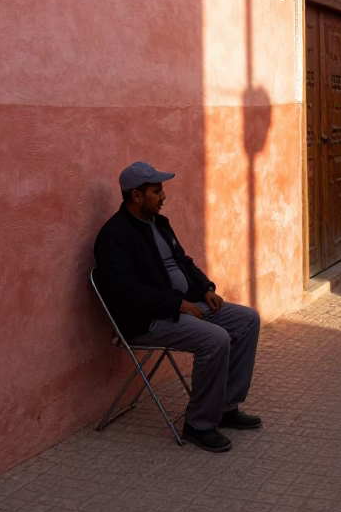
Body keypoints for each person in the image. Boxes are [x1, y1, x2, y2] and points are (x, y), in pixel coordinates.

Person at [93, 162, 262, 453]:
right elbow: (127, 292)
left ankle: (225, 407)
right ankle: (199, 424)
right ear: (136, 195)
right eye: (156, 191)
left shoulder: (160, 224)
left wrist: (205, 289)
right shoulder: (114, 236)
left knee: (248, 320)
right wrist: (178, 304)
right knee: (215, 338)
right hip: (146, 320)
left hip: (185, 305)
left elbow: (184, 262)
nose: (163, 196)